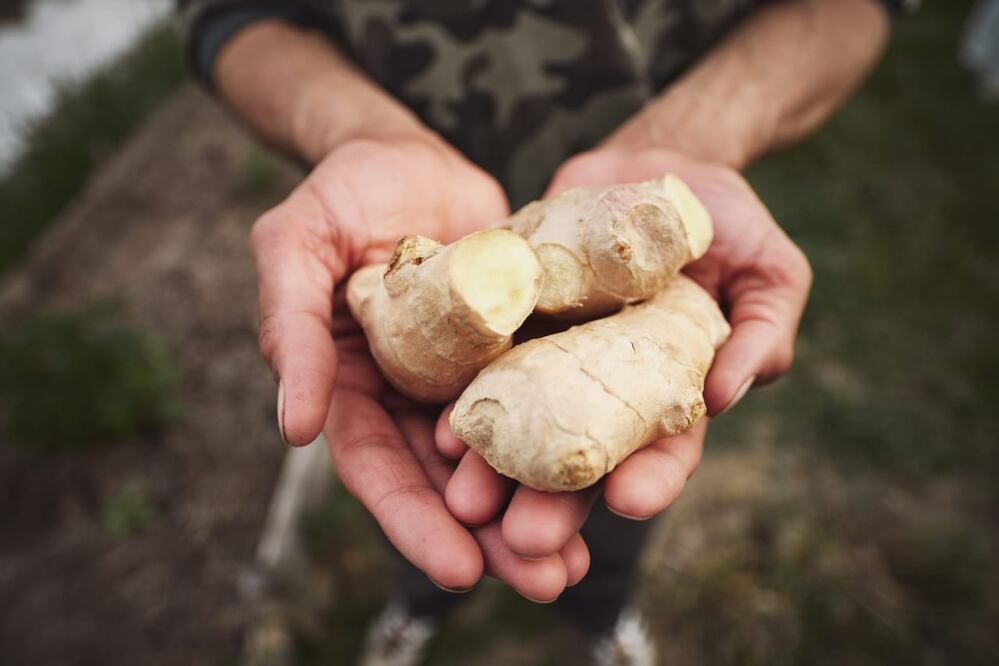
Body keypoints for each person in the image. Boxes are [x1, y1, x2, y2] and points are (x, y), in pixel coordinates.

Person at [178, 1, 904, 662]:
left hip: (630, 168)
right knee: (424, 510)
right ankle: (419, 607)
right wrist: (362, 133)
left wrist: (690, 137)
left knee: (613, 509)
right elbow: (230, 15)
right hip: (407, 208)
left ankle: (603, 616)